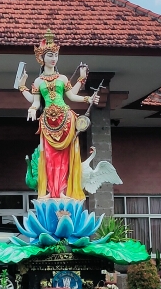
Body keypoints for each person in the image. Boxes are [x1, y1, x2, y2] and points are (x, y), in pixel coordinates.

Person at [16, 29, 100, 200]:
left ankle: (62, 190)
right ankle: (49, 190)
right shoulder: (38, 81)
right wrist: (23, 90)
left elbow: (71, 96)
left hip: (66, 119)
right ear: (41, 58)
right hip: (47, 121)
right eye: (50, 55)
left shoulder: (62, 78)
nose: (53, 58)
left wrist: (88, 98)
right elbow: (36, 102)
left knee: (65, 157)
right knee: (48, 156)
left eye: (55, 55)